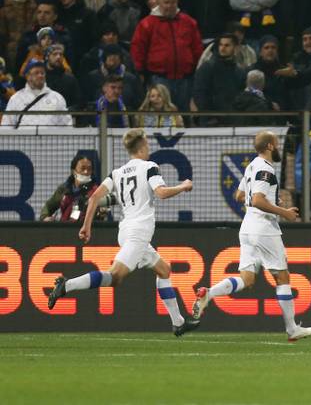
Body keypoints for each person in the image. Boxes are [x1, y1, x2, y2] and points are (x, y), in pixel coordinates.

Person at [47, 129, 198, 337]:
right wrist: (183, 186)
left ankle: (178, 322)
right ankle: (67, 285)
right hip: (138, 232)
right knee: (115, 277)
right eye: (147, 143)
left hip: (126, 230)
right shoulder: (149, 167)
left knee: (164, 269)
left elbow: (94, 198)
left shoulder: (117, 173)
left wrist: (86, 226)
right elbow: (161, 193)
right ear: (143, 146)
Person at [192, 130, 311, 342]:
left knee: (247, 279)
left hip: (247, 227)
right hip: (263, 228)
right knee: (282, 277)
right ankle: (292, 329)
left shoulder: (251, 166)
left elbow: (240, 195)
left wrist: (268, 200)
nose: (277, 147)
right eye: (275, 143)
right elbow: (257, 199)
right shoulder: (266, 169)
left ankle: (208, 294)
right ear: (269, 146)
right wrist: (283, 212)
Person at [130, 0, 203, 114]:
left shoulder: (189, 22)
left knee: (184, 114)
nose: (170, 6)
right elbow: (138, 49)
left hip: (185, 79)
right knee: (162, 115)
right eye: (167, 2)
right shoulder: (147, 24)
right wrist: (140, 72)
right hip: (159, 78)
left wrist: (197, 69)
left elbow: (197, 47)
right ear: (159, 2)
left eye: (173, 2)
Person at [193, 34, 247, 125]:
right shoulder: (207, 67)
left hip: (232, 120)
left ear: (236, 48)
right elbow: (199, 94)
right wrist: (210, 116)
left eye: (227, 45)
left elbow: (242, 95)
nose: (222, 48)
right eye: (221, 45)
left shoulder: (239, 71)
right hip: (211, 121)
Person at [40, 154, 110, 222]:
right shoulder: (64, 189)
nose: (86, 172)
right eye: (82, 168)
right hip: (63, 230)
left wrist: (100, 214)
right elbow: (49, 206)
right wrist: (45, 217)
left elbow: (100, 214)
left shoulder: (96, 191)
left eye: (89, 169)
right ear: (74, 172)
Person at [1, 59, 71, 127]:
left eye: (42, 73)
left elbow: (67, 125)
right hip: (25, 139)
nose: (40, 75)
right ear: (27, 76)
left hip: (49, 139)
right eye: (36, 73)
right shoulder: (16, 99)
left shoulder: (57, 98)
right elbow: (6, 126)